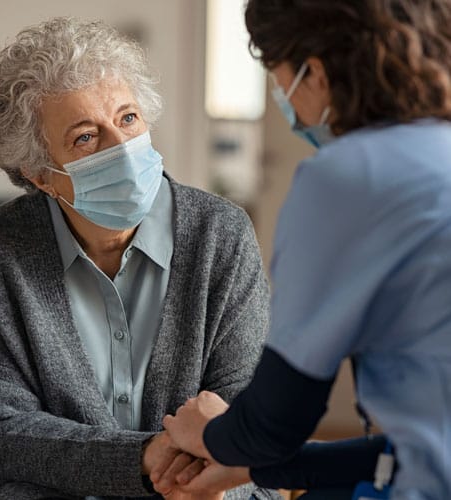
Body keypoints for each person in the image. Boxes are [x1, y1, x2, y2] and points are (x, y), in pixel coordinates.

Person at [0, 17, 282, 500]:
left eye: (128, 119)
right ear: (39, 174)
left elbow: (243, 402)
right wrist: (144, 459)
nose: (123, 149)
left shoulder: (221, 234)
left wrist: (190, 477)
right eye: (86, 137)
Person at [159, 1, 451, 499]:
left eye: (278, 77)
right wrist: (252, 469)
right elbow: (414, 452)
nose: (284, 100)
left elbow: (273, 424)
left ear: (313, 70)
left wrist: (205, 432)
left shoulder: (348, 177)